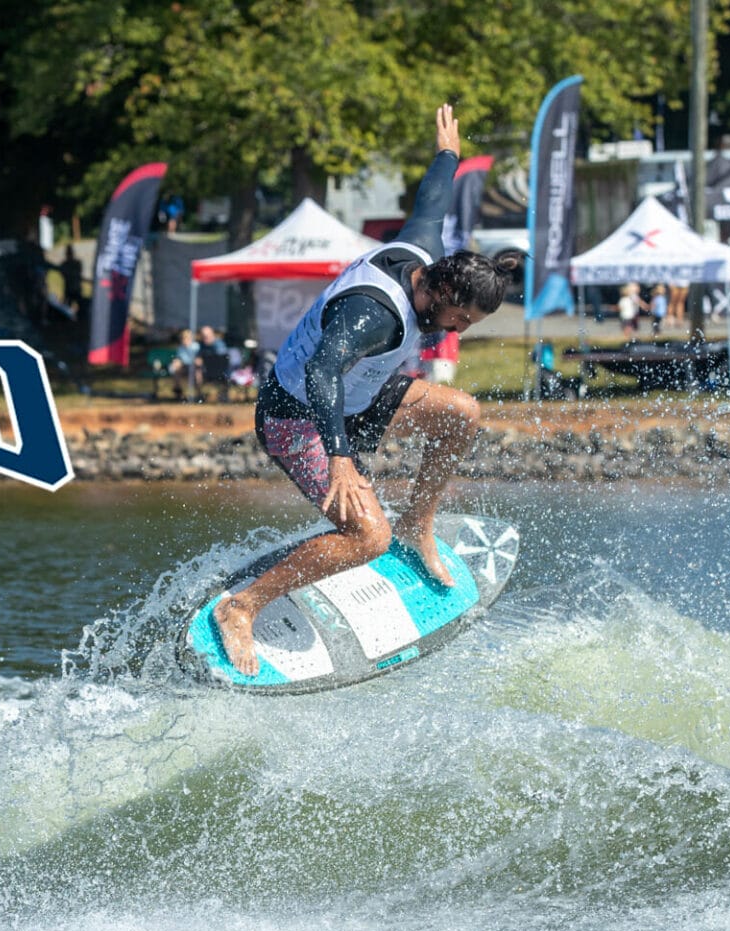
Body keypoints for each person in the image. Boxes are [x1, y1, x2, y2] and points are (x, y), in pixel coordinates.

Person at [212, 103, 525, 676]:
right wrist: (340, 461)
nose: (457, 333)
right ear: (441, 293)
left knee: (462, 413)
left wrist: (447, 156)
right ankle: (243, 607)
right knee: (366, 537)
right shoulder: (372, 314)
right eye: (460, 320)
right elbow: (322, 373)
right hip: (298, 417)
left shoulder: (425, 258)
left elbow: (432, 202)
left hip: (357, 394)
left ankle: (419, 522)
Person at [198, 325, 232, 403]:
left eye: (206, 336)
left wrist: (205, 360)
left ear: (212, 335)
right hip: (207, 372)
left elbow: (222, 360)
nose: (205, 338)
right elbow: (198, 358)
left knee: (226, 375)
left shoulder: (219, 345)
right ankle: (200, 396)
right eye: (203, 336)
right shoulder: (202, 345)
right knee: (197, 371)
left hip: (221, 372)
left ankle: (224, 396)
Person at [168, 328, 199, 401]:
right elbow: (179, 359)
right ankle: (178, 393)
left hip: (194, 367)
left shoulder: (196, 347)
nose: (185, 340)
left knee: (198, 373)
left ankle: (199, 394)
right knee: (176, 372)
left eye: (187, 338)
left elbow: (198, 359)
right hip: (184, 367)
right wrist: (176, 363)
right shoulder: (180, 348)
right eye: (183, 338)